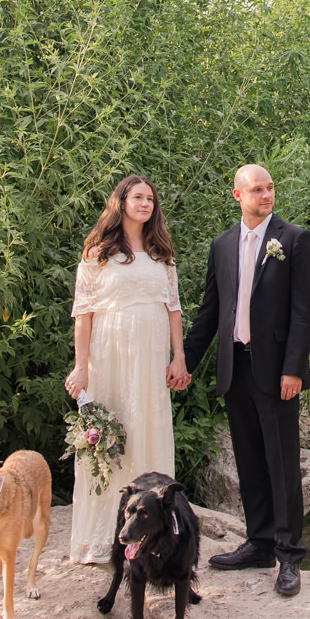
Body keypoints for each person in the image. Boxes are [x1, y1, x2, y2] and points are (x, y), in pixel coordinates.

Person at [182, 163, 310, 596]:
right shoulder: (221, 246)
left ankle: (289, 554)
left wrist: (293, 368)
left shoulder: (293, 240)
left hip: (277, 370)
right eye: (257, 189)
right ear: (238, 196)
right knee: (249, 461)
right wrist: (184, 361)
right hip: (234, 367)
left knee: (282, 464)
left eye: (270, 188)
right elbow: (209, 313)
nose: (266, 195)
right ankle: (258, 543)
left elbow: (303, 311)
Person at [64, 174, 191, 564]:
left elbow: (173, 309)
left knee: (147, 430)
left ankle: (155, 540)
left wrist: (179, 357)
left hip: (151, 356)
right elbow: (83, 315)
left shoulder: (160, 252)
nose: (145, 204)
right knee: (113, 438)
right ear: (120, 202)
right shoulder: (97, 252)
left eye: (150, 199)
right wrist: (81, 368)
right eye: (138, 197)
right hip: (111, 354)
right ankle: (103, 538)